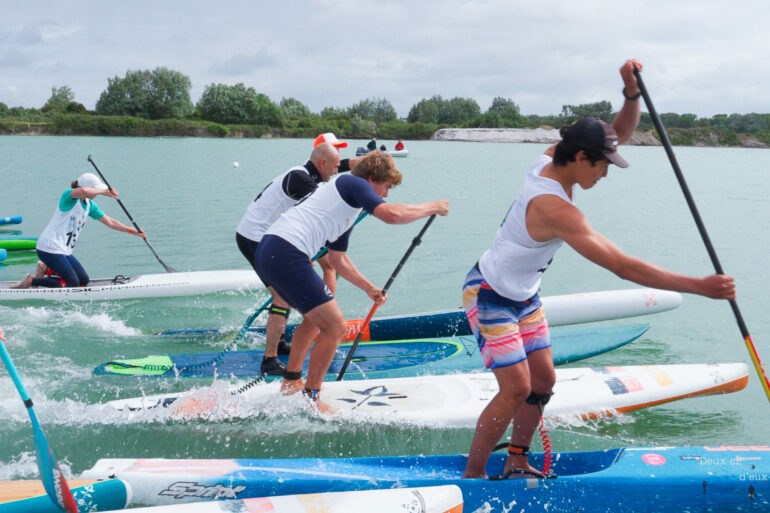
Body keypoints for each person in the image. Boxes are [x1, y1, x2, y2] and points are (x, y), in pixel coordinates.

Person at [461, 59, 736, 480]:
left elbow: (618, 134)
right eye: (604, 165)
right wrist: (699, 286)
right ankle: (474, 476)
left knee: (544, 382)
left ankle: (517, 459)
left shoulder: (553, 157)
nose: (607, 172)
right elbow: (623, 266)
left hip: (524, 294)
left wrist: (630, 94)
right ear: (582, 158)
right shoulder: (555, 208)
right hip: (489, 293)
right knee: (516, 387)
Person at [255, 150, 449, 411]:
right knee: (336, 326)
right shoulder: (351, 183)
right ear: (371, 179)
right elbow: (391, 215)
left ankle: (291, 382)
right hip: (285, 250)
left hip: (274, 250)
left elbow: (337, 260)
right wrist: (433, 207)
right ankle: (312, 397)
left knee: (315, 320)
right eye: (386, 187)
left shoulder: (345, 206)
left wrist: (369, 288)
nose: (385, 194)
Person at [235, 133, 357, 376]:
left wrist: (373, 162)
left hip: (274, 237)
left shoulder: (311, 170)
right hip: (255, 237)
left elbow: (338, 167)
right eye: (333, 165)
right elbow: (327, 200)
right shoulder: (299, 177)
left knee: (322, 270)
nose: (336, 170)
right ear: (323, 162)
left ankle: (283, 340)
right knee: (282, 296)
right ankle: (269, 359)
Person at [11, 173, 146, 289]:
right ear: (87, 188)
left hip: (64, 250)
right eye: (96, 190)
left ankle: (46, 268)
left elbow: (110, 222)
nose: (98, 192)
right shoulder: (68, 198)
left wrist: (132, 231)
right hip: (48, 247)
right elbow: (81, 192)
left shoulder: (90, 205)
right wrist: (104, 192)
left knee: (83, 280)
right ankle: (31, 281)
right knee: (73, 284)